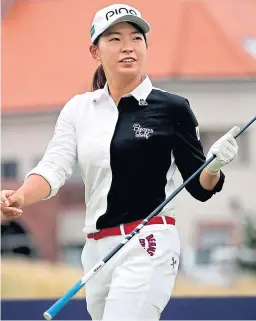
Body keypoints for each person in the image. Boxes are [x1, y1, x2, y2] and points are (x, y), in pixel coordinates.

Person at [1, 4, 240, 321]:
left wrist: (213, 166)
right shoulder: (79, 110)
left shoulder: (172, 108)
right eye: (114, 39)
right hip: (97, 249)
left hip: (149, 242)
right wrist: (18, 196)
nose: (127, 46)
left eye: (136, 38)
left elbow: (199, 186)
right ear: (95, 51)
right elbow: (52, 168)